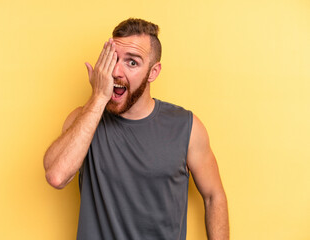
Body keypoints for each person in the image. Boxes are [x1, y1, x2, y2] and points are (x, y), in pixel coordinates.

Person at [43, 18, 229, 240]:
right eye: (113, 60)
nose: (116, 72)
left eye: (132, 63)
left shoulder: (186, 127)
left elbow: (213, 196)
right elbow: (56, 175)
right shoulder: (84, 120)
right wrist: (98, 98)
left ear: (153, 72)